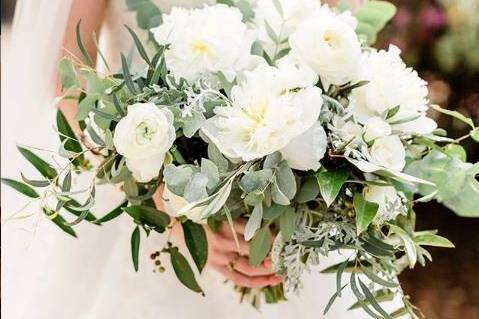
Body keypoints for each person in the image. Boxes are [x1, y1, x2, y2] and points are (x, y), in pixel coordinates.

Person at [4, 1, 402, 318]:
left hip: (291, 194)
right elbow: (72, 75)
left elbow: (344, 41)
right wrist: (163, 201)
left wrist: (300, 199)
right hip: (149, 203)